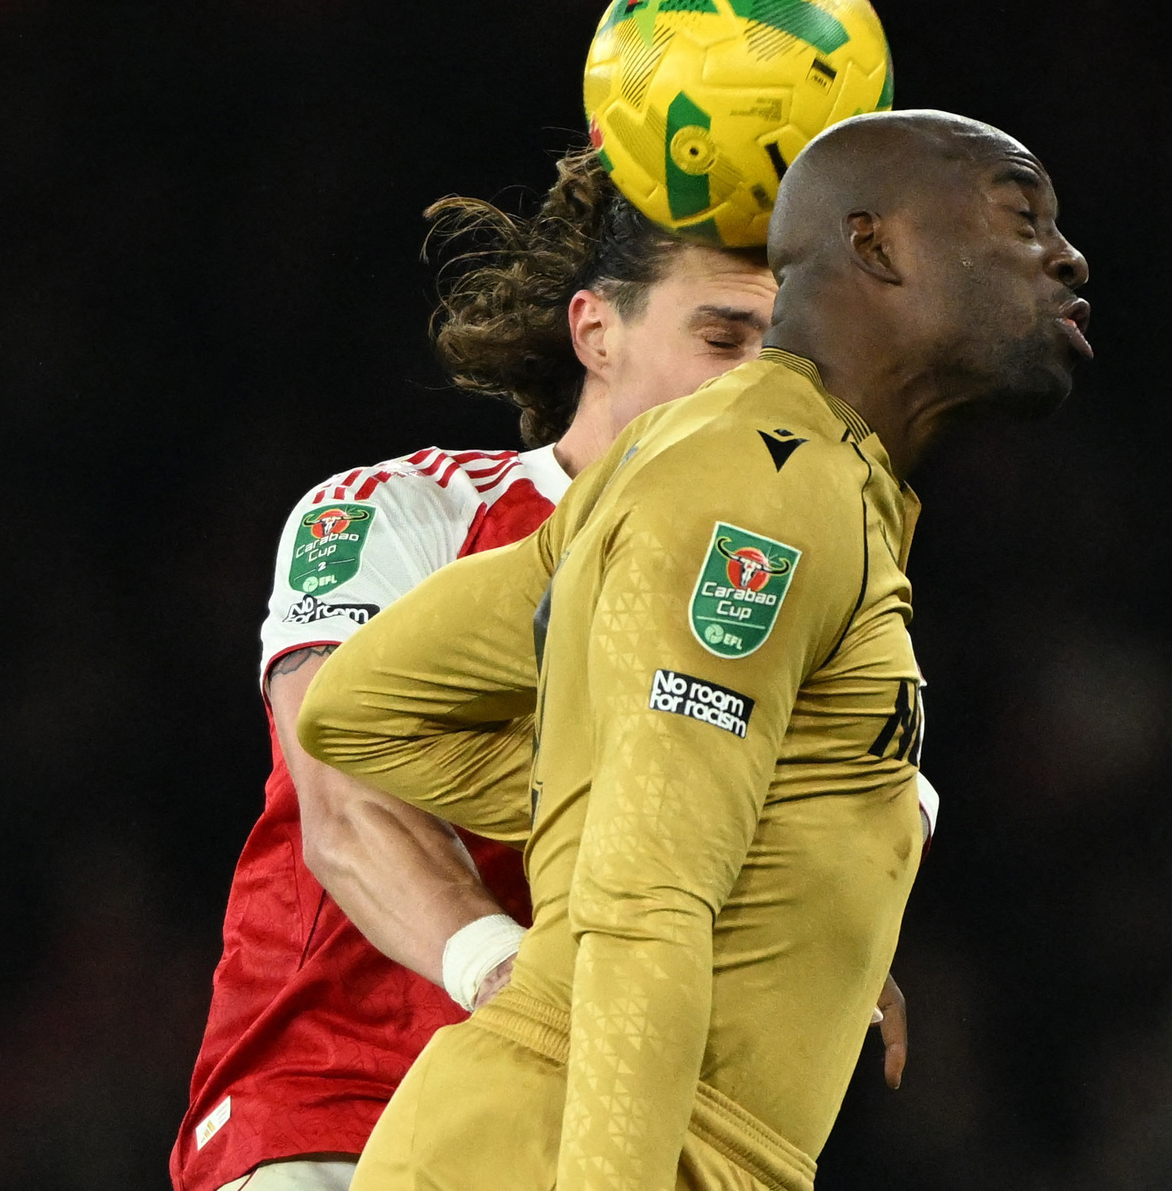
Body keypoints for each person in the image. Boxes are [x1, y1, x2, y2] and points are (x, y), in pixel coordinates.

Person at [299, 108, 1092, 1191]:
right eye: (1021, 218)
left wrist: (614, 781)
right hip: (569, 1145)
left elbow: (361, 705)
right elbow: (641, 909)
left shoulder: (780, 476)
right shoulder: (757, 483)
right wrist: (623, 814)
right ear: (874, 247)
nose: (1066, 255)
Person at [171, 148, 924, 1191]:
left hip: (582, 1135)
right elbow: (345, 806)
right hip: (331, 1116)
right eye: (720, 337)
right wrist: (510, 975)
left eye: (777, 352)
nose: (752, 383)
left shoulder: (795, 574)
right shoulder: (397, 512)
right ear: (595, 331)